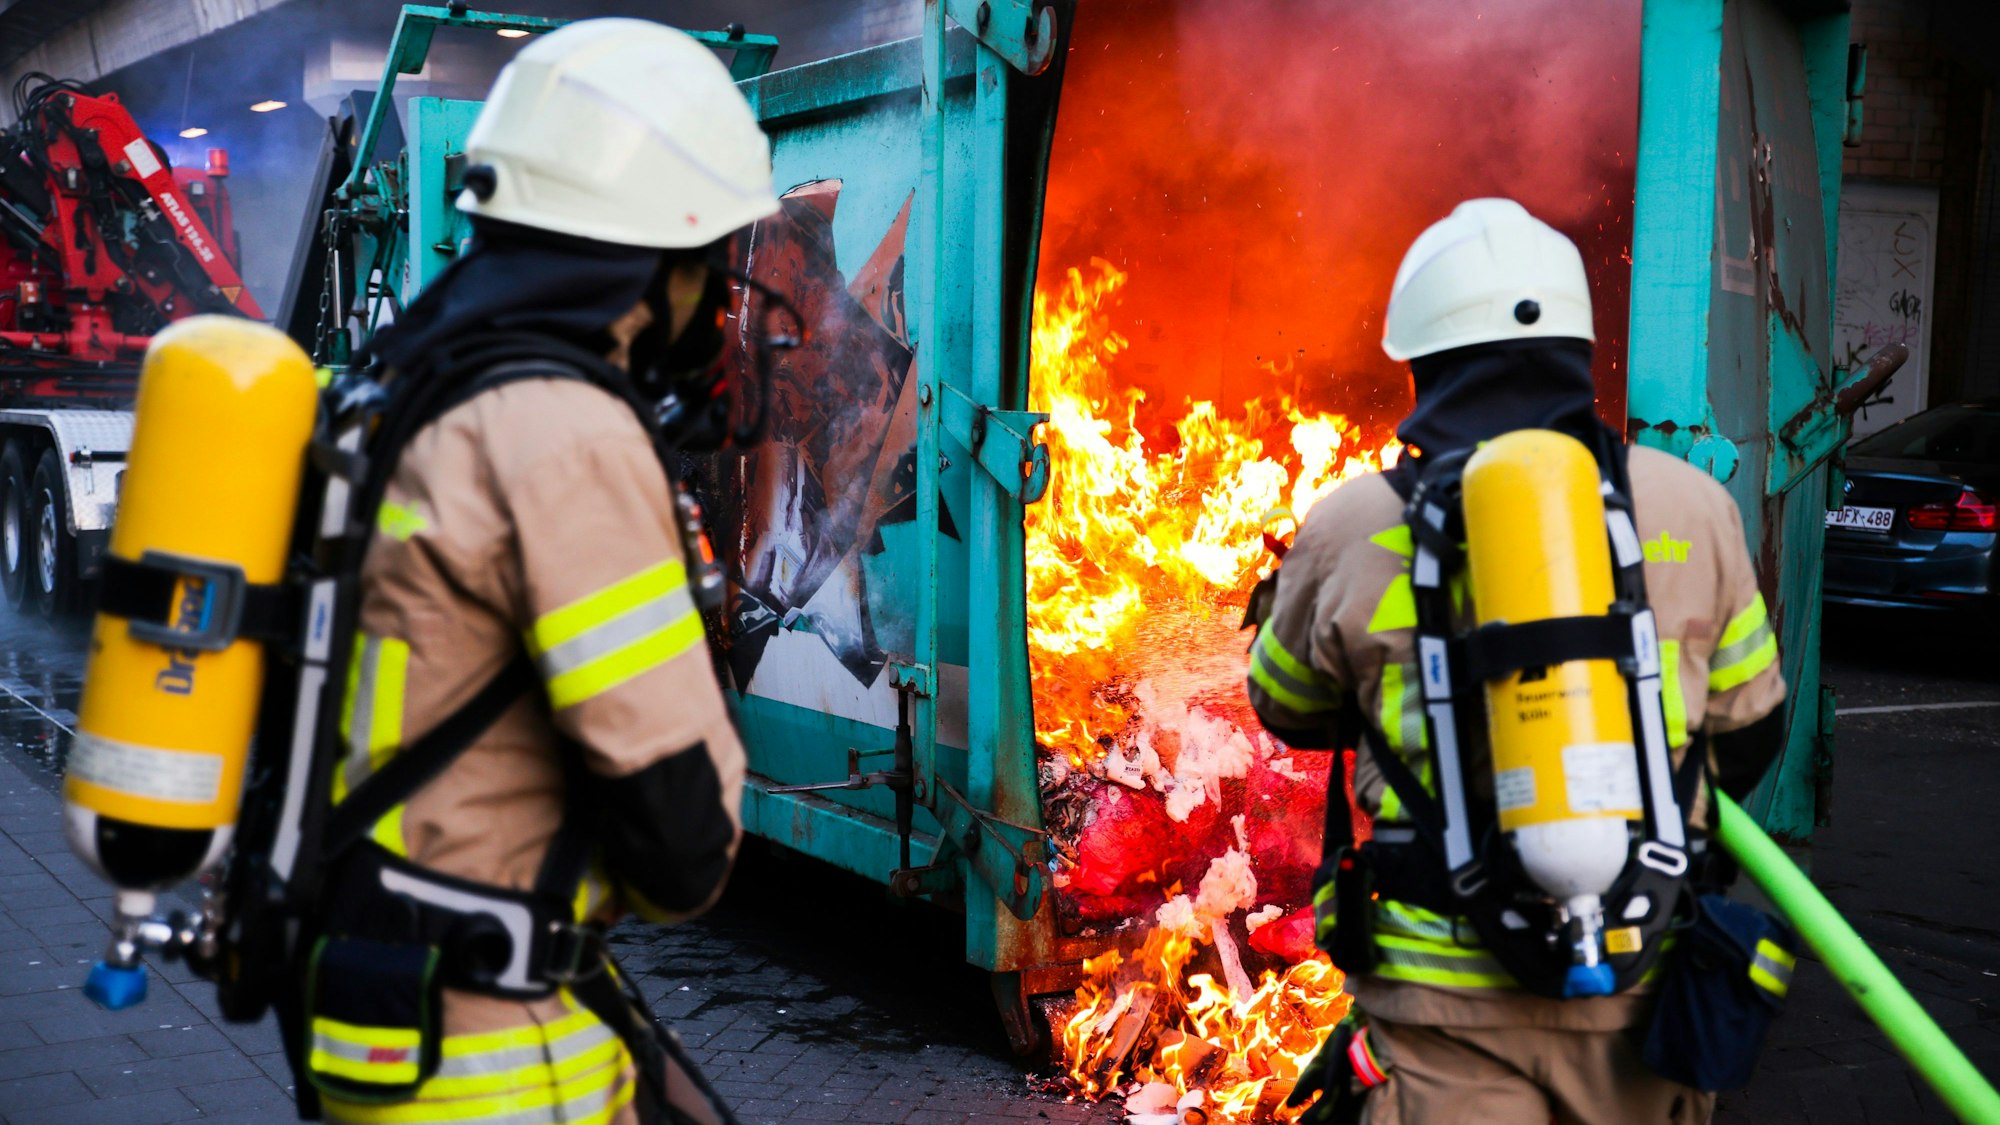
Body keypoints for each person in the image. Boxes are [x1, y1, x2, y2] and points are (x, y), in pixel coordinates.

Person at [296, 19, 781, 1125]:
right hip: (491, 1061)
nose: (717, 300)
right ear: (651, 257)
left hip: (379, 993)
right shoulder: (564, 432)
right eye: (709, 260)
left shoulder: (401, 384)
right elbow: (682, 848)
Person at [1248, 198, 1787, 1124]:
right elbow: (1749, 734)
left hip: (1444, 1015)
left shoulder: (1355, 523)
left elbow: (1287, 708)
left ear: (1423, 364)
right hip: (1643, 990)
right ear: (1578, 353)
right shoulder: (1694, 507)